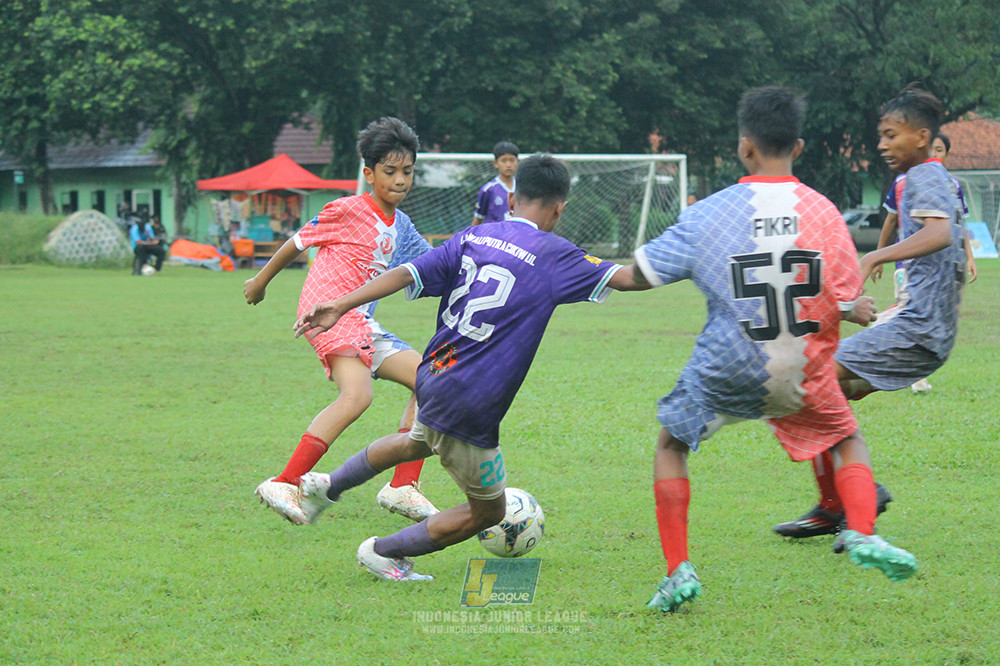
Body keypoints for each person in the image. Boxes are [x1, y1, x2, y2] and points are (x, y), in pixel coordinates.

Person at [621, 86, 916, 613]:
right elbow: (845, 298)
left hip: (728, 368)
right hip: (803, 373)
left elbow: (638, 276)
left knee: (672, 446)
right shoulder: (826, 214)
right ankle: (864, 532)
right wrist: (854, 310)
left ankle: (677, 570)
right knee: (847, 437)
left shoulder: (710, 213)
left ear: (744, 147)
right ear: (797, 147)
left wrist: (573, 271)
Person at [291, 153, 647, 581]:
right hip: (471, 401)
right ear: (559, 208)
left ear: (513, 198)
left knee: (413, 443)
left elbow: (406, 273)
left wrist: (342, 303)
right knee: (488, 510)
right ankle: (381, 552)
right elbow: (628, 278)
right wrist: (683, 259)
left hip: (435, 376)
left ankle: (327, 486)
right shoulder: (555, 253)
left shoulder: (474, 236)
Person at [774, 84, 967, 545]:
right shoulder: (924, 178)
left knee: (805, 382)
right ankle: (837, 503)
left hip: (916, 329)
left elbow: (940, 234)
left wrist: (872, 258)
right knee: (815, 393)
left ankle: (849, 503)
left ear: (921, 137)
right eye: (880, 136)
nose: (882, 145)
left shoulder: (925, 175)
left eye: (891, 135)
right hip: (925, 331)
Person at [244, 117, 438, 525]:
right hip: (328, 315)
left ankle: (403, 485)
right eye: (390, 172)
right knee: (357, 396)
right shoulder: (348, 209)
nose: (400, 180)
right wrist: (260, 283)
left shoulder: (401, 226)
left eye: (408, 171)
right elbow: (298, 242)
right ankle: (285, 480)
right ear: (369, 174)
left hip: (362, 322)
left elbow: (433, 264)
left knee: (432, 380)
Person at [471, 141, 519, 225]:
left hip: (517, 236)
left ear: (517, 162)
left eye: (512, 160)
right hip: (494, 236)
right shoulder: (488, 190)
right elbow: (478, 219)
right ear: (495, 163)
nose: (508, 165)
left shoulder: (523, 188)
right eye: (504, 161)